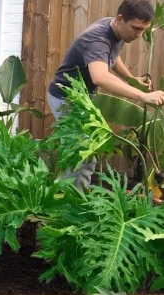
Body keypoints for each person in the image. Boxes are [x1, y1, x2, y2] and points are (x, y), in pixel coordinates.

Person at [46, 0, 164, 188]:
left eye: (143, 30)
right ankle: (71, 204)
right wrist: (142, 96)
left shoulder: (114, 29)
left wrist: (130, 78)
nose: (139, 35)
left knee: (85, 151)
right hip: (66, 98)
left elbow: (112, 55)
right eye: (136, 28)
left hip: (81, 97)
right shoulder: (97, 39)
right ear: (120, 19)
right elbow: (100, 77)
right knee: (83, 152)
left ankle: (70, 196)